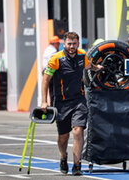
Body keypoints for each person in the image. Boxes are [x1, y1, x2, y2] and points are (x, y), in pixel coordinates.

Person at [41, 31, 102, 175]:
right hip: (61, 103)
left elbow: (89, 66)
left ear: (78, 44)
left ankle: (77, 165)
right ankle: (63, 157)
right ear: (64, 44)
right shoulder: (56, 59)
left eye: (74, 44)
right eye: (69, 44)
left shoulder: (82, 55)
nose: (72, 46)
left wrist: (98, 68)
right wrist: (44, 101)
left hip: (79, 100)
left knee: (78, 130)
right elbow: (45, 80)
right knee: (64, 137)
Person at [42, 36, 62, 105]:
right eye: (58, 43)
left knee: (52, 91)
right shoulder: (53, 51)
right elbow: (54, 63)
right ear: (55, 43)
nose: (59, 45)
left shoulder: (48, 49)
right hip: (51, 73)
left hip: (47, 72)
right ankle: (54, 106)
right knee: (54, 91)